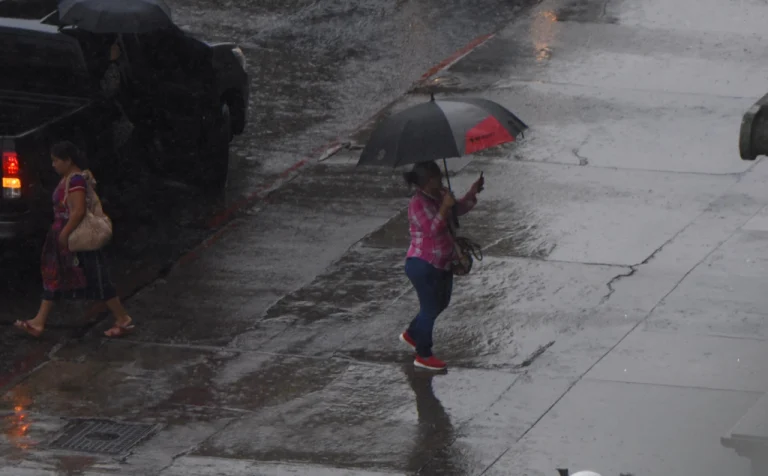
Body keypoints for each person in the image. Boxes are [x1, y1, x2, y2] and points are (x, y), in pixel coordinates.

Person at [14, 141, 134, 339]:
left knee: (97, 277)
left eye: (56, 160)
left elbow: (78, 211)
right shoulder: (69, 178)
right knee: (55, 276)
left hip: (77, 237)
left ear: (68, 160)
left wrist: (64, 233)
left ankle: (122, 318)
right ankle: (39, 321)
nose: (53, 165)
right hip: (66, 236)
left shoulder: (76, 180)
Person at [399, 161, 484, 371]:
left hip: (444, 262)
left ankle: (412, 333)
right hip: (422, 264)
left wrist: (471, 194)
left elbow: (457, 211)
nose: (441, 181)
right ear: (428, 181)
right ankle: (423, 354)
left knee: (441, 303)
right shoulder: (417, 204)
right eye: (437, 178)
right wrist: (445, 206)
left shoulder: (440, 195)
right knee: (429, 308)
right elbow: (433, 229)